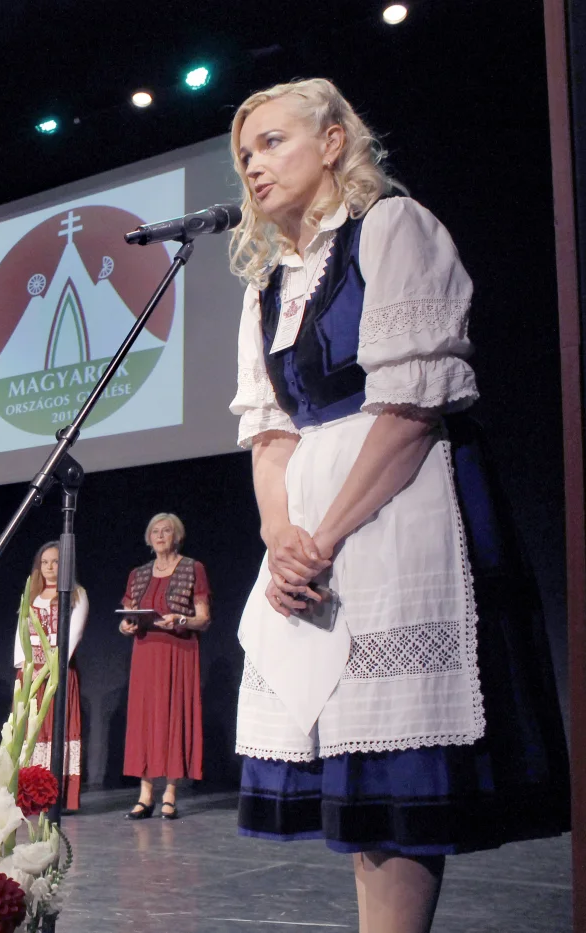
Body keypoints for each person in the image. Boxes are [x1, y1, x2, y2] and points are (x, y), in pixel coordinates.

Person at [226, 78, 568, 933]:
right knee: (355, 775)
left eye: (272, 142)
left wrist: (325, 535)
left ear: (333, 142)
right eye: (245, 154)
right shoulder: (267, 285)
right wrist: (280, 535)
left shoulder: (392, 228)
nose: (254, 166)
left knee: (395, 765)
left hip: (396, 510)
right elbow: (269, 431)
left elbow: (411, 406)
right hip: (310, 527)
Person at [119, 513, 210, 820]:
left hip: (178, 650)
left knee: (174, 716)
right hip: (145, 651)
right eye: (155, 531)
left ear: (177, 536)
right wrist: (125, 626)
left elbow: (203, 618)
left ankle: (170, 793)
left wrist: (181, 619)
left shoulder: (192, 568)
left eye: (166, 531)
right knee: (145, 720)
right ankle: (145, 795)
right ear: (149, 538)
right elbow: (127, 615)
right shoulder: (138, 573)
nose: (160, 536)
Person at [13, 540, 88, 811]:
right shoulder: (31, 595)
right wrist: (25, 669)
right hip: (30, 674)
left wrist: (51, 667)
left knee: (56, 730)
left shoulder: (77, 594)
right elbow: (21, 635)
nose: (49, 567)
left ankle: (57, 795)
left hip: (58, 673)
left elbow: (73, 634)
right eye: (44, 562)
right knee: (30, 730)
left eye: (55, 562)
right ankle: (28, 794)